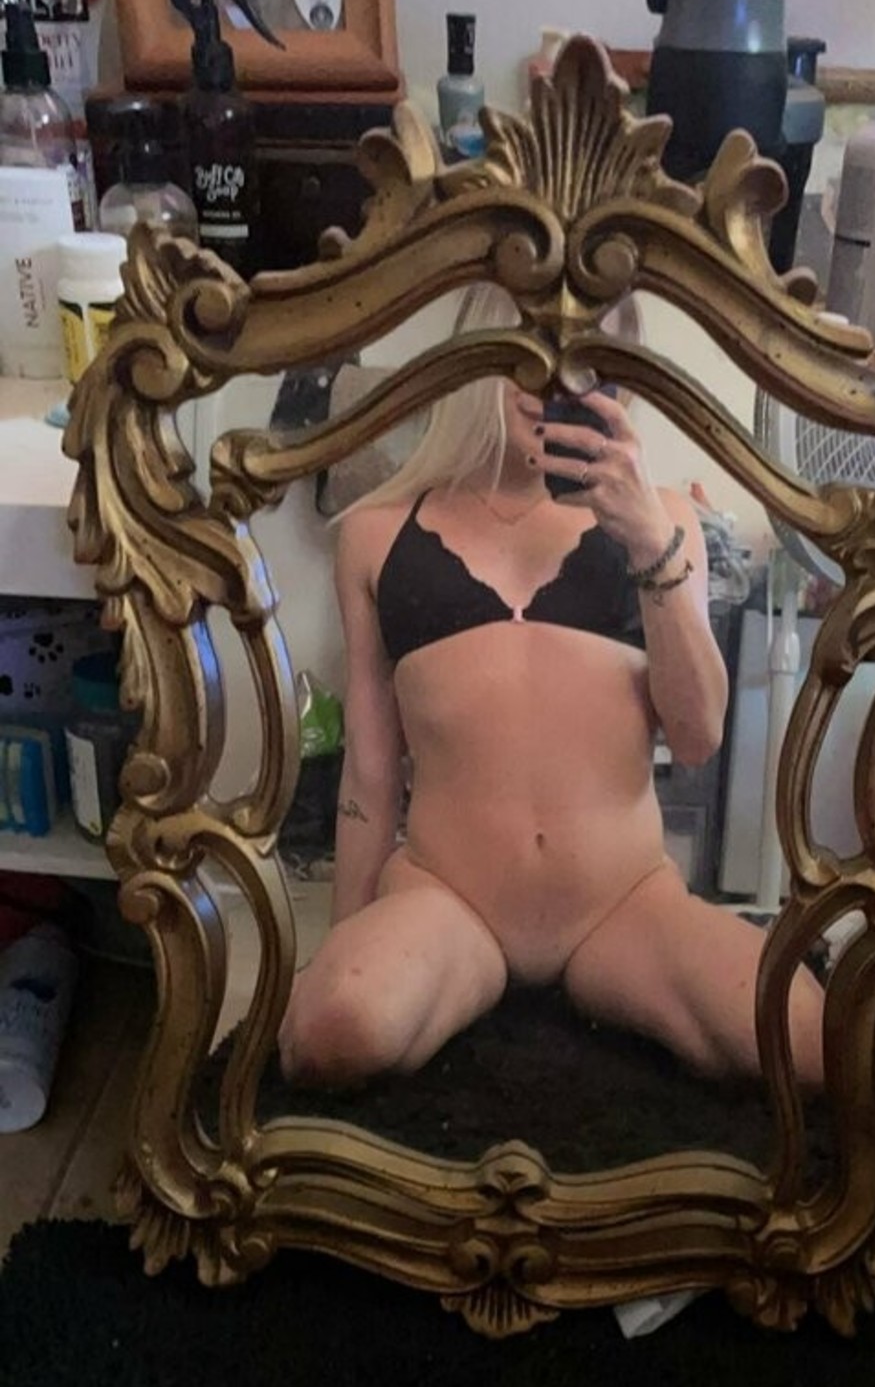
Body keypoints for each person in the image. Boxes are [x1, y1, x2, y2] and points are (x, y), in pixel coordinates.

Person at [280, 286, 825, 1091]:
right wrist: (349, 942)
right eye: (538, 357)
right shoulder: (376, 532)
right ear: (482, 355)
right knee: (334, 1027)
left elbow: (699, 734)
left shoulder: (665, 522)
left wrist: (652, 544)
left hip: (624, 902)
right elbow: (368, 771)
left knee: (808, 1037)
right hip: (449, 898)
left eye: (592, 365)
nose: (560, 386)